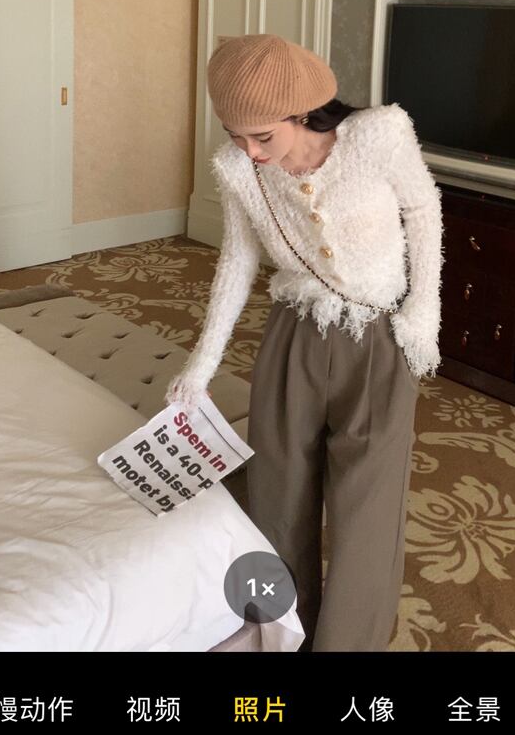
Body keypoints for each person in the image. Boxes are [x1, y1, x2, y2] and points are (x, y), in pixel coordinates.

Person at [165, 33, 444, 652]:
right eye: (235, 134)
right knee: (279, 489)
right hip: (294, 331)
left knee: (367, 504)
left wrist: (423, 313)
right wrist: (201, 365)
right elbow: (238, 258)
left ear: (301, 112)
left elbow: (423, 210)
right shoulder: (239, 169)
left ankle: (349, 641)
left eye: (262, 136)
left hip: (378, 335)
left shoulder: (377, 137)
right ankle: (283, 627)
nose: (249, 150)